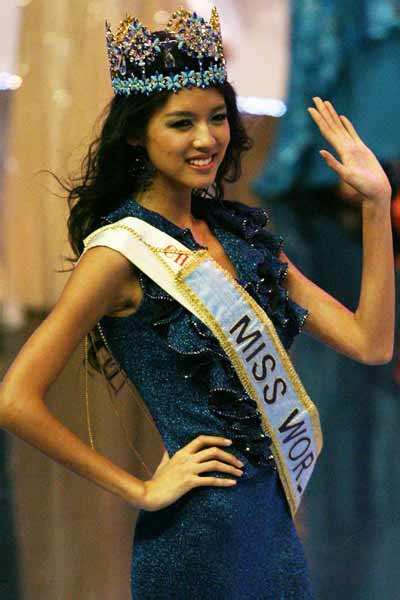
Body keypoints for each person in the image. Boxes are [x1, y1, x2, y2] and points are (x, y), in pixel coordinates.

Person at [0, 7, 394, 599]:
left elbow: (371, 343)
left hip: (274, 532)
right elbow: (15, 401)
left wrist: (375, 206)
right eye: (181, 123)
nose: (206, 139)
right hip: (195, 539)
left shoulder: (243, 238)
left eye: (217, 118)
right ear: (138, 133)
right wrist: (139, 489)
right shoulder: (119, 253)